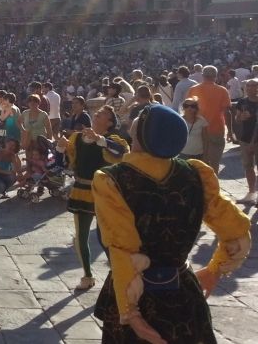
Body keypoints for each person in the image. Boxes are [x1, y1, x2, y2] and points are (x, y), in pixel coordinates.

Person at [93, 104, 251, 344]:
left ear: (138, 137)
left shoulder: (112, 179)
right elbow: (236, 231)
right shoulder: (196, 173)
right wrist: (215, 269)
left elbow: (123, 248)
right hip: (183, 290)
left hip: (137, 294)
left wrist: (131, 314)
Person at [57, 105, 128, 291]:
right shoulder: (78, 137)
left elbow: (122, 153)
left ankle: (118, 271)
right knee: (81, 235)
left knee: (107, 235)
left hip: (104, 192)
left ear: (110, 122)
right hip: (81, 189)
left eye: (103, 113)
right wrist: (60, 147)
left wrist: (100, 140)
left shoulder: (113, 140)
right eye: (98, 112)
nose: (97, 113)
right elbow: (62, 163)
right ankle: (87, 275)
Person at [186, 65, 233, 172]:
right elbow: (227, 112)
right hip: (216, 129)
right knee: (214, 164)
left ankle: (201, 186)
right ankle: (213, 185)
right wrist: (230, 131)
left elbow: (188, 110)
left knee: (199, 163)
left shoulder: (193, 89)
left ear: (202, 75)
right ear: (216, 76)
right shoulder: (222, 90)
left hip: (198, 130)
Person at [234, 78, 258, 205]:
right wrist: (240, 117)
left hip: (256, 140)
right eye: (248, 86)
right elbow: (237, 120)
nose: (250, 88)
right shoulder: (242, 102)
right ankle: (251, 193)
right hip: (245, 139)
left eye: (253, 86)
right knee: (248, 167)